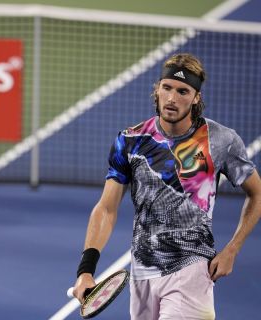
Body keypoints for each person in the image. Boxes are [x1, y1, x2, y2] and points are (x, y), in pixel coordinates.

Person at [72, 53, 261, 319]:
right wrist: (86, 270)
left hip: (192, 268)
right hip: (143, 272)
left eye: (183, 91)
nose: (172, 98)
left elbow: (257, 193)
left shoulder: (221, 140)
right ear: (157, 89)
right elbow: (106, 208)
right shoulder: (130, 141)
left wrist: (233, 249)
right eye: (167, 88)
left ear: (196, 98)